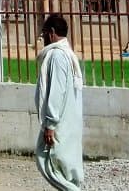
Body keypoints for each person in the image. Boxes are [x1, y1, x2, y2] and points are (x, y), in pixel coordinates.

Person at [34, 13, 83, 191]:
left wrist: (51, 123)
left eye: (44, 33)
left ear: (51, 33)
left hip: (59, 121)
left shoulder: (57, 56)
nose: (43, 39)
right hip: (68, 119)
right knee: (63, 164)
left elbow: (56, 90)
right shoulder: (67, 54)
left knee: (46, 159)